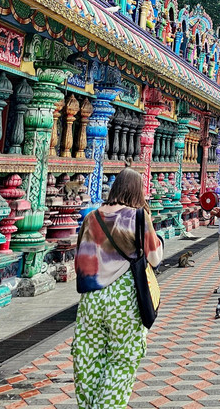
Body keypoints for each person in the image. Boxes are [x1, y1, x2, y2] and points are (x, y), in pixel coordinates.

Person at [73, 167, 164, 409]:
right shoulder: (138, 217)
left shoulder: (91, 217)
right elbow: (154, 258)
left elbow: (79, 262)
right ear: (137, 191)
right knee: (122, 360)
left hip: (91, 298)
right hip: (124, 298)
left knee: (87, 357)